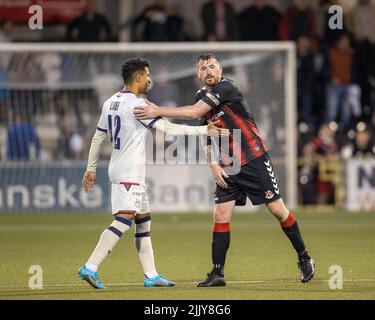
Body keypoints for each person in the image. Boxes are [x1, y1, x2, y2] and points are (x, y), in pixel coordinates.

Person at [134, 53, 315, 286]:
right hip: (228, 165)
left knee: (278, 210)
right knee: (220, 215)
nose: (208, 71)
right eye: (203, 68)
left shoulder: (226, 87)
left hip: (253, 158)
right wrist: (213, 164)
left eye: (212, 66)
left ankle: (304, 257)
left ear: (219, 69)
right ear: (197, 74)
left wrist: (158, 110)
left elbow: (194, 113)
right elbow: (205, 132)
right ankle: (217, 273)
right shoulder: (201, 95)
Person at [78, 57, 228, 289]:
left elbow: (99, 136)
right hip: (129, 172)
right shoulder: (139, 105)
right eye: (147, 75)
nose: (150, 80)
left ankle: (151, 275)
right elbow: (168, 128)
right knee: (124, 219)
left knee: (143, 221)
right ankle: (90, 266)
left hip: (125, 169)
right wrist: (203, 129)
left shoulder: (111, 102)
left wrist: (91, 168)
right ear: (138, 77)